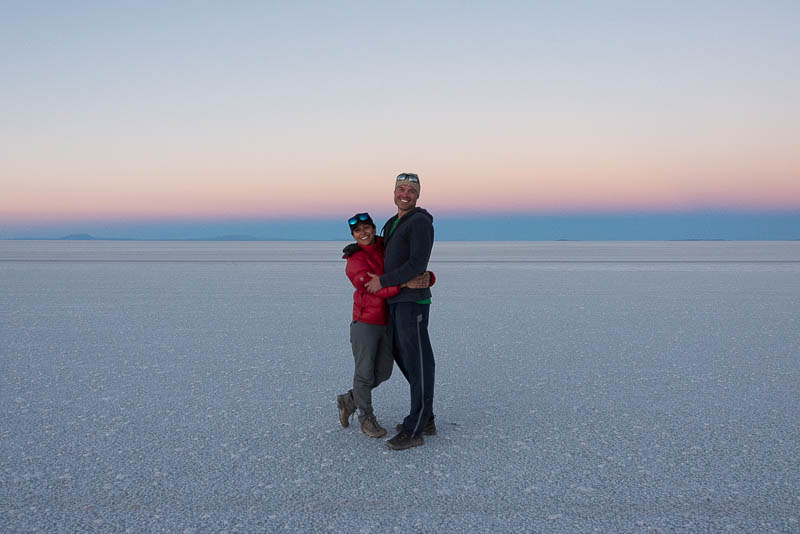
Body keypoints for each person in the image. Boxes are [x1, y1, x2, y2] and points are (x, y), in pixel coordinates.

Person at [336, 212, 434, 438]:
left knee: (383, 372)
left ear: (374, 228)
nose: (364, 233)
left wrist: (427, 277)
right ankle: (366, 417)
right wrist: (404, 284)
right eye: (358, 231)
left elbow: (407, 264)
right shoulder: (355, 260)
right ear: (353, 235)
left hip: (389, 319)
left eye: (367, 228)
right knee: (364, 373)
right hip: (366, 322)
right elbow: (374, 287)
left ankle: (349, 400)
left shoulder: (385, 246)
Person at [364, 172, 436, 450]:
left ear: (418, 195)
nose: (404, 194)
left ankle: (416, 428)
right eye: (400, 189)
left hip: (412, 302)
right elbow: (384, 254)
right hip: (394, 300)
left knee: (419, 361)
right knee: (402, 355)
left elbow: (418, 261)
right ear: (394, 192)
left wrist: (383, 281)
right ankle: (425, 415)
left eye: (411, 190)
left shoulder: (419, 222)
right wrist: (358, 251)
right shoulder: (393, 223)